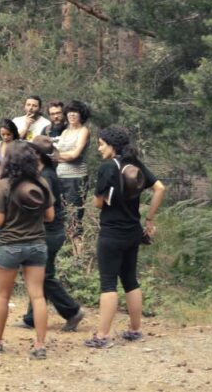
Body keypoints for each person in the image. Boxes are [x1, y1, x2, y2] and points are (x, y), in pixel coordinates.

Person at [86, 126, 166, 349]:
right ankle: (135, 330)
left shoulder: (107, 168)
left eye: (101, 144)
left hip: (111, 233)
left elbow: (98, 203)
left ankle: (102, 336)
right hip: (133, 231)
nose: (99, 149)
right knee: (130, 279)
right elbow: (160, 188)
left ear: (112, 146)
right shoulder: (134, 163)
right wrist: (149, 219)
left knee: (108, 283)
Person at [0, 141, 54, 359]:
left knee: (3, 295)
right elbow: (50, 216)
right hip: (37, 244)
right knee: (37, 296)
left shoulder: (4, 185)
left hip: (10, 245)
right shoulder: (41, 183)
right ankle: (40, 345)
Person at [20, 136, 84, 332]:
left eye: (31, 151)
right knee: (39, 274)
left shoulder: (46, 177)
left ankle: (72, 311)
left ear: (37, 155)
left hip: (49, 232)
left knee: (43, 276)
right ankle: (32, 318)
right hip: (49, 231)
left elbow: (47, 212)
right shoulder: (43, 173)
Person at [54, 100, 91, 236]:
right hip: (59, 176)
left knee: (74, 216)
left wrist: (57, 157)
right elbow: (57, 154)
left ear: (81, 115)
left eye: (75, 112)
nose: (72, 114)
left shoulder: (83, 131)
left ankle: (78, 247)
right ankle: (65, 246)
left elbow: (75, 154)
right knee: (60, 214)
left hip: (76, 178)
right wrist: (61, 156)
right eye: (69, 112)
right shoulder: (65, 132)